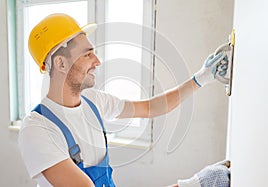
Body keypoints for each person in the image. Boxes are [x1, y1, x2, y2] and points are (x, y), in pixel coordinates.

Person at [18, 13, 230, 187]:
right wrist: (191, 185)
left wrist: (200, 78)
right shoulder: (38, 129)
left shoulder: (93, 102)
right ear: (61, 64)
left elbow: (150, 108)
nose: (97, 61)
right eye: (87, 54)